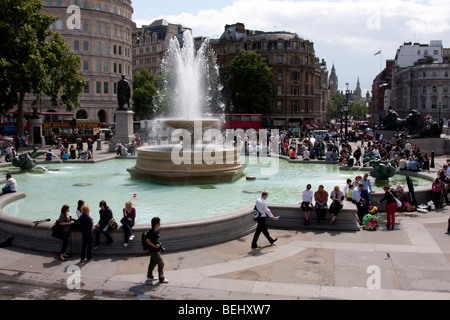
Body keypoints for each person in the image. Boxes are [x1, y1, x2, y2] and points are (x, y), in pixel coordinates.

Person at [145, 217, 168, 284]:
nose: (160, 223)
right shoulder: (151, 232)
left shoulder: (157, 230)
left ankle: (149, 276)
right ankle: (161, 278)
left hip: (156, 249)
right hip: (153, 250)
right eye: (159, 222)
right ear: (157, 224)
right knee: (161, 263)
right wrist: (154, 246)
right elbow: (147, 241)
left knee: (152, 263)